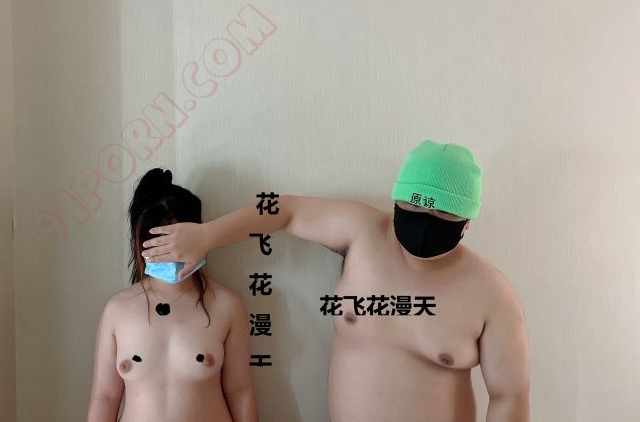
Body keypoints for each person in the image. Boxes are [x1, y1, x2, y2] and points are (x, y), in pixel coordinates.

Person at [141, 140, 530, 421]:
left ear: (465, 221)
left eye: (442, 215)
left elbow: (509, 396)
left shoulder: (490, 293)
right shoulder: (363, 232)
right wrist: (208, 235)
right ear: (396, 199)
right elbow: (285, 210)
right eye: (412, 205)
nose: (424, 222)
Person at [87, 168, 258, 422]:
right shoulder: (117, 310)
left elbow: (240, 391)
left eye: (177, 243)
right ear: (140, 242)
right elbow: (105, 397)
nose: (171, 254)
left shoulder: (226, 306)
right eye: (160, 244)